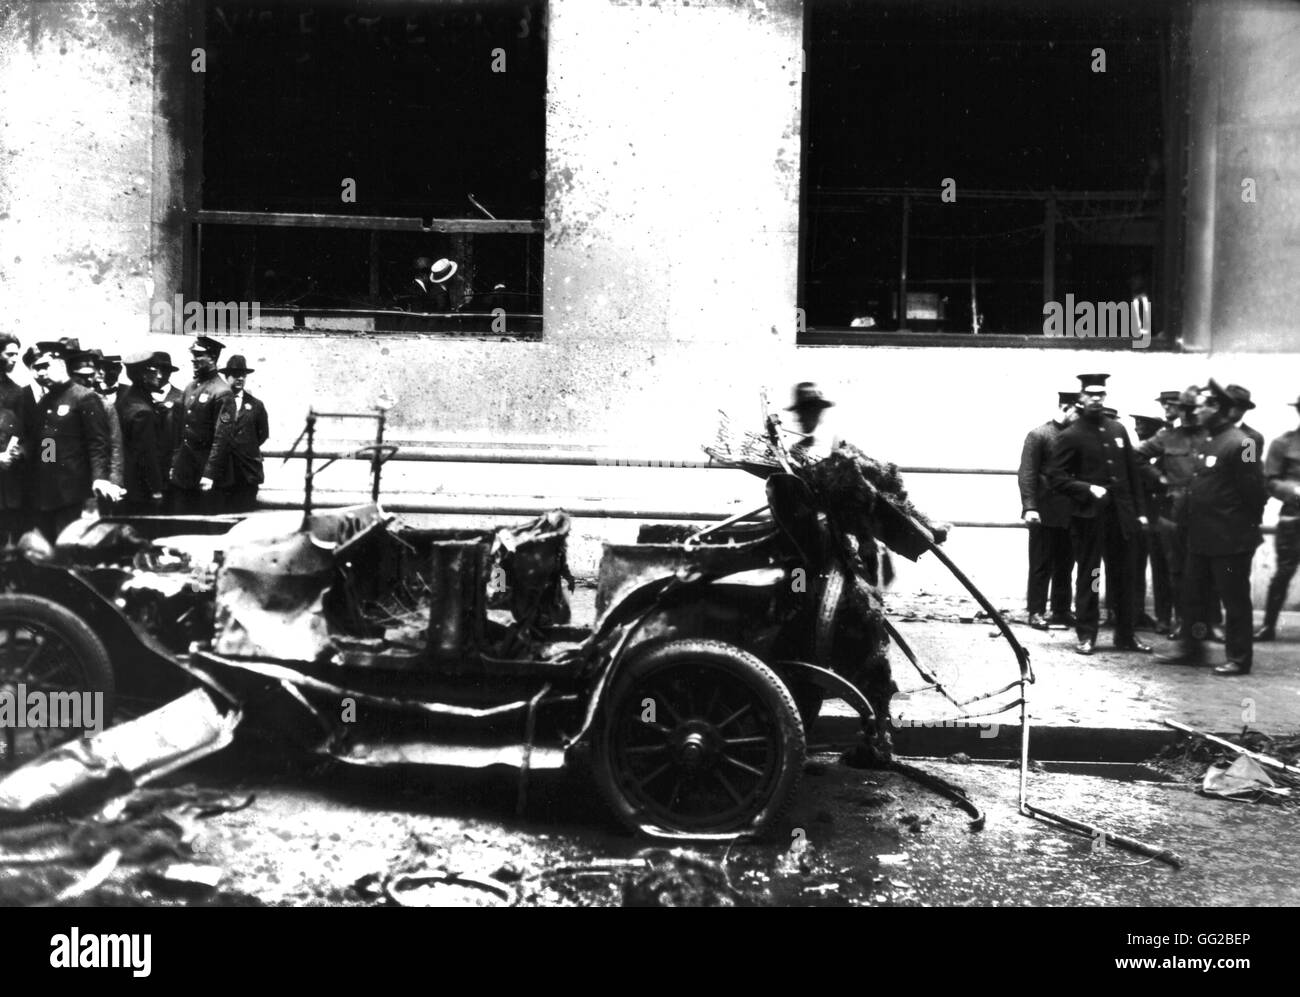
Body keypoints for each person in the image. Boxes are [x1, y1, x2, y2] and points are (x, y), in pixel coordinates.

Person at [1156, 381, 1267, 675]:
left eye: (1203, 405)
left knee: (1235, 600)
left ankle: (1239, 658)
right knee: (1193, 597)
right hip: (1200, 537)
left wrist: (1244, 529)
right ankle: (1192, 650)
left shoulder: (1242, 443)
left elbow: (1255, 492)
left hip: (1230, 539)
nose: (1197, 410)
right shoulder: (1208, 440)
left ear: (1216, 407)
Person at [1047, 373, 1151, 655]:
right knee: (1091, 574)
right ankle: (1087, 635)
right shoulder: (1071, 435)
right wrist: (1087, 488)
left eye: (1100, 394)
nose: (1096, 399)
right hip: (1089, 519)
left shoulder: (1118, 430)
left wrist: (1140, 513)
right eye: (1090, 394)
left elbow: (1133, 475)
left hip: (1121, 518)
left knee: (1124, 576)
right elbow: (1055, 477)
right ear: (1081, 398)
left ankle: (1126, 635)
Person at [1138, 387, 1209, 639]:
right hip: (1172, 512)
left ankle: (1200, 622)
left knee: (1202, 569)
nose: (1190, 414)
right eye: (1185, 410)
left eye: (1193, 409)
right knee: (1174, 569)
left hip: (1205, 512)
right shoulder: (1167, 436)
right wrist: (1161, 479)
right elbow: (1137, 456)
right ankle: (1178, 620)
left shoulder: (1211, 435)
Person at [25, 342, 112, 542]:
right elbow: (49, 443)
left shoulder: (84, 397)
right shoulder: (47, 401)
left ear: (60, 364)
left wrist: (99, 478)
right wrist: (46, 469)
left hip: (73, 493)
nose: (40, 373)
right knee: (48, 547)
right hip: (48, 491)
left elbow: (98, 443)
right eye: (37, 369)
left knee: (69, 547)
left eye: (45, 367)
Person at [1017, 390, 1078, 629]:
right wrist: (1030, 507)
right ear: (1066, 407)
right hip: (1044, 511)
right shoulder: (1039, 435)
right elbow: (1027, 474)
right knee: (1041, 564)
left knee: (1067, 564)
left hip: (1071, 512)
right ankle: (1036, 610)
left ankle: (1061, 610)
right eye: (1077, 411)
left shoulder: (1077, 436)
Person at [170, 336, 236, 515]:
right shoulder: (190, 388)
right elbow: (180, 431)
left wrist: (209, 473)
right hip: (185, 473)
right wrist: (175, 464)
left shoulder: (222, 392)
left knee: (207, 529)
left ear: (213, 358)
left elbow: (221, 438)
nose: (194, 359)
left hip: (206, 476)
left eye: (199, 355)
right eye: (193, 354)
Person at [1256, 393, 1300, 641]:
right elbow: (1270, 481)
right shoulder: (1283, 443)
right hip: (1294, 518)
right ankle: (1268, 625)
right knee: (1284, 572)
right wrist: (1294, 490)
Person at [1131, 413, 1172, 632]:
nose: (1138, 428)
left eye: (1143, 424)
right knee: (1135, 567)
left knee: (1163, 569)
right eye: (1136, 423)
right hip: (1139, 517)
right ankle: (1135, 613)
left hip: (1162, 517)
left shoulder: (1168, 452)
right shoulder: (1134, 454)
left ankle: (1164, 617)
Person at [116, 352, 168, 514]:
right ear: (143, 375)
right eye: (154, 371)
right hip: (141, 490)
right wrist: (156, 489)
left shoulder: (126, 400)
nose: (159, 376)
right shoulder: (143, 412)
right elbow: (147, 456)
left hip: (126, 484)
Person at [219, 355, 269, 513]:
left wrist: (244, 446)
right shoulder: (218, 401)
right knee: (220, 518)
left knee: (244, 516)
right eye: (235, 374)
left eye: (243, 375)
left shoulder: (256, 405)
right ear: (227, 377)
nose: (240, 378)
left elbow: (262, 434)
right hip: (222, 472)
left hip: (247, 473)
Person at [0, 334, 31, 542]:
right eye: (9, 354)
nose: (14, 359)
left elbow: (41, 439)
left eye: (16, 355)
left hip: (7, 483)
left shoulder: (16, 392)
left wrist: (11, 453)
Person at [786, 382, 839, 461]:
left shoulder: (828, 446)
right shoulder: (801, 444)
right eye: (797, 412)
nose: (798, 420)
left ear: (817, 411)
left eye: (802, 412)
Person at [1224, 384, 1265, 456]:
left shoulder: (1251, 439)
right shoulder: (1205, 430)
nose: (1233, 408)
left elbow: (1248, 466)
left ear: (1245, 409)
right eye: (1228, 403)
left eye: (1240, 405)